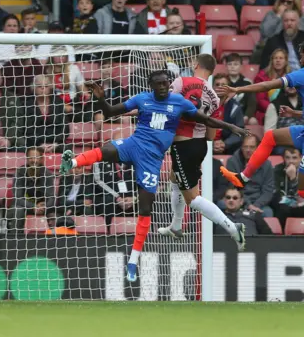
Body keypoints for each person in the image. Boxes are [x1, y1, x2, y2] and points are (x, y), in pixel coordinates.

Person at [59, 70, 248, 283]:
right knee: (106, 150)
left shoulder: (179, 102)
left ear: (169, 84)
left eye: (165, 83)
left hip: (152, 160)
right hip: (134, 145)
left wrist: (231, 127)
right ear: (150, 84)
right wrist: (101, 98)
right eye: (157, 83)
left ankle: (133, 262)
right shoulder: (142, 99)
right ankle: (72, 162)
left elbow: (204, 119)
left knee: (146, 208)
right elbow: (111, 113)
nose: (161, 86)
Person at [158, 54, 246, 250]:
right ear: (212, 71)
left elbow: (166, 108)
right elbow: (210, 136)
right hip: (199, 147)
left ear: (195, 64)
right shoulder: (214, 97)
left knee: (193, 198)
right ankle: (176, 225)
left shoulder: (181, 81)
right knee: (174, 178)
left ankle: (232, 227)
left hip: (183, 146)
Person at [219, 42, 304, 197]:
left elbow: (267, 85)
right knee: (270, 137)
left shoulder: (301, 75)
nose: (300, 58)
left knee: (301, 191)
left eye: (302, 55)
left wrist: (238, 89)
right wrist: (297, 113)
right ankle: (243, 177)